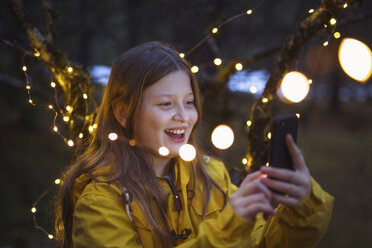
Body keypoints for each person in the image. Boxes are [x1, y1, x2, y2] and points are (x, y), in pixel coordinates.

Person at [55, 41, 334, 248]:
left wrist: (303, 205)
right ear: (123, 113)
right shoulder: (100, 201)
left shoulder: (212, 176)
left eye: (188, 103)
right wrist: (228, 229)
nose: (184, 116)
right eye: (166, 104)